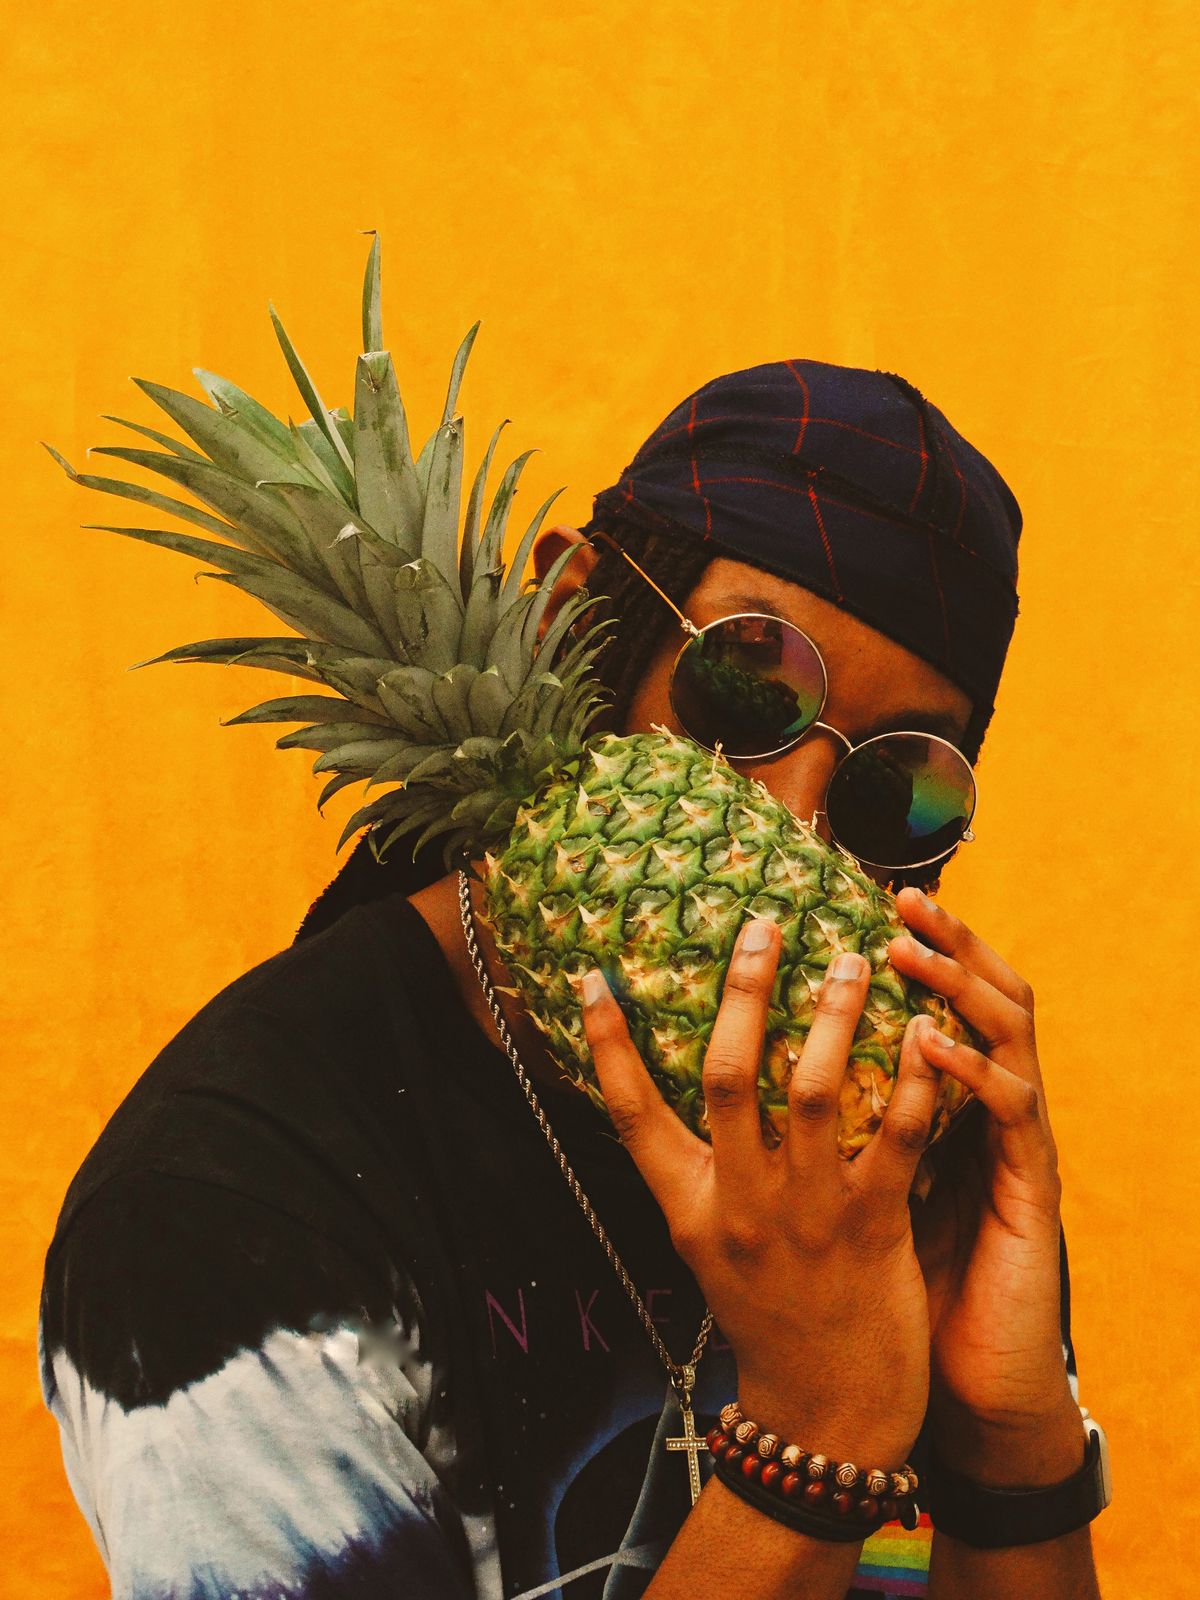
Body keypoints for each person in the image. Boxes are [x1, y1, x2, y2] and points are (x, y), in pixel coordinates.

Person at [39, 361, 1107, 1599]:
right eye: (745, 686)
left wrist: (1013, 1445)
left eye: (897, 782)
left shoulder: (898, 1156)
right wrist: (819, 1429)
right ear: (567, 620)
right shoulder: (224, 1217)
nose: (795, 822)